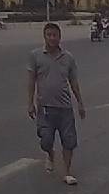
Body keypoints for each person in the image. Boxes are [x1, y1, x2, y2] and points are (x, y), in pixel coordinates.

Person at [27, 23, 87, 185]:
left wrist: (80, 103)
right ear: (44, 36)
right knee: (46, 140)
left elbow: (73, 82)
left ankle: (67, 172)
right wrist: (30, 103)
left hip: (65, 108)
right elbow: (31, 81)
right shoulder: (35, 56)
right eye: (49, 35)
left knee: (69, 141)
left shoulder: (68, 58)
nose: (52, 38)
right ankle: (50, 153)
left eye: (55, 35)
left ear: (60, 37)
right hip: (45, 108)